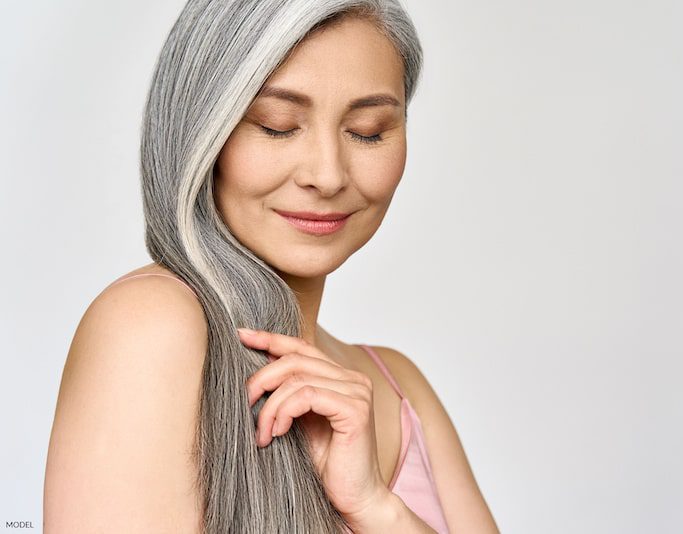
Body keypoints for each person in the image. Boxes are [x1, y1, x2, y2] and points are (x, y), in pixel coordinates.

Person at [43, 2, 499, 533]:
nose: (328, 175)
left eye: (368, 131)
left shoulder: (399, 387)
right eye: (277, 126)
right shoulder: (149, 326)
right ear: (202, 130)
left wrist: (378, 508)